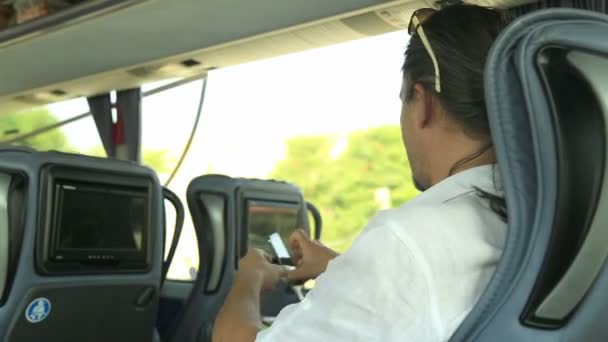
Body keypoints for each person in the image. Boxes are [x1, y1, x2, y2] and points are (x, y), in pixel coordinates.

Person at [213, 5, 512, 342]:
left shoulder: (407, 240)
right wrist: (341, 267)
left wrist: (248, 278)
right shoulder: (525, 216)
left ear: (422, 100)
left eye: (403, 99)